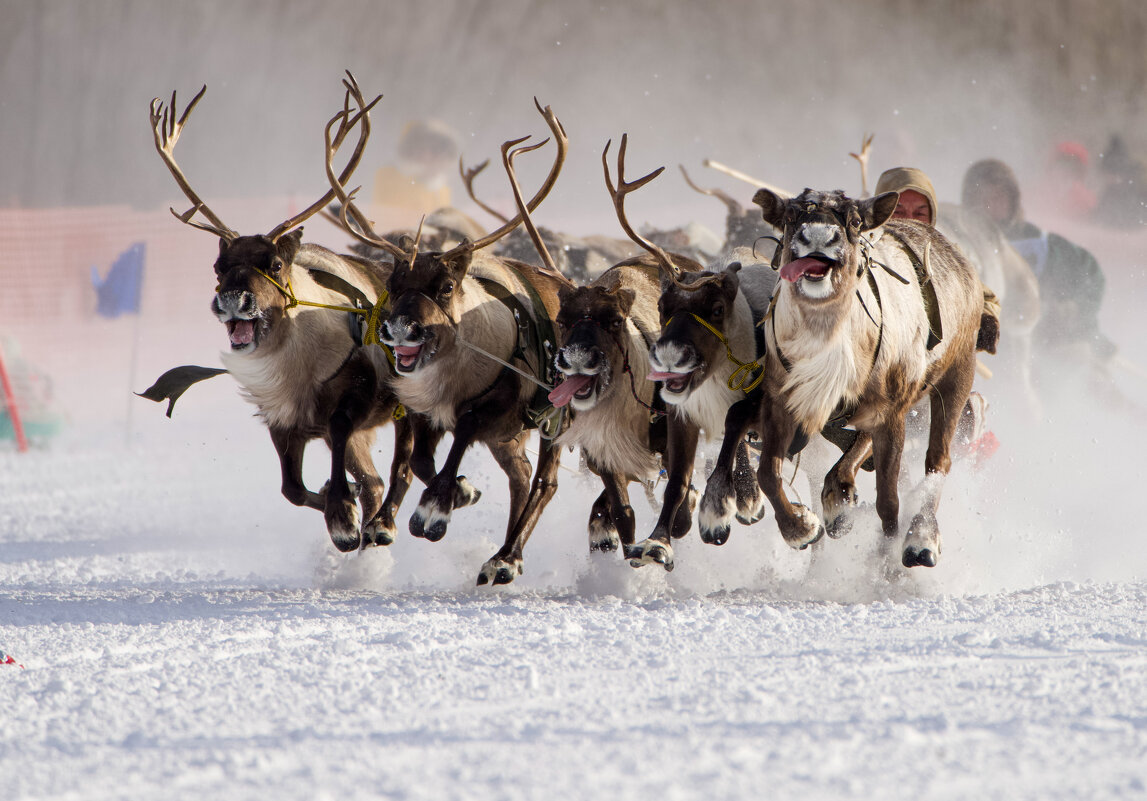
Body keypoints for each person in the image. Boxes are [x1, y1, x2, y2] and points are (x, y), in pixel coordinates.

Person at [874, 167, 997, 462]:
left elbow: (979, 292)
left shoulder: (943, 256)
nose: (909, 220)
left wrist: (986, 316)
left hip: (928, 369)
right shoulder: (865, 252)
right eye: (897, 210)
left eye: (920, 213)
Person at [961, 158, 1115, 364]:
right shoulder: (961, 245)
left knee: (1078, 366)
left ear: (1012, 200)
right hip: (992, 354)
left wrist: (1073, 311)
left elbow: (1091, 276)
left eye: (998, 197)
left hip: (1052, 348)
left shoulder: (1039, 244)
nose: (990, 205)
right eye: (982, 198)